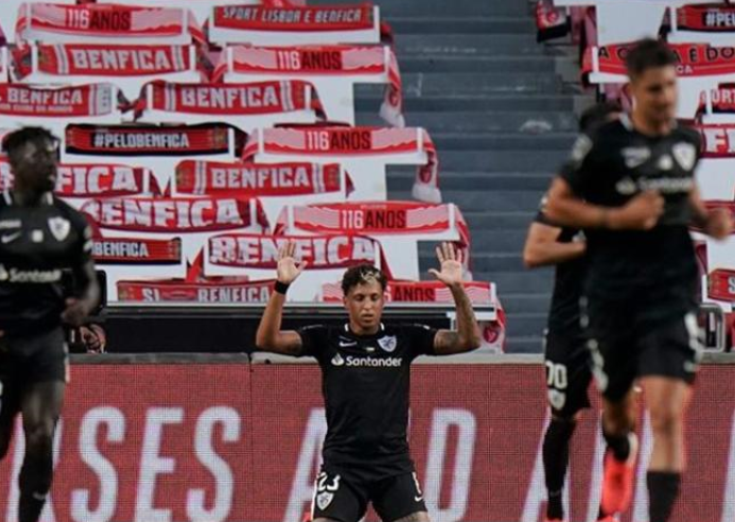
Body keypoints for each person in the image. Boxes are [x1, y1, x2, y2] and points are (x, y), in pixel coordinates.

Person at [546, 39, 732, 522]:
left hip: (667, 294)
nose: (666, 98)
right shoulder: (596, 162)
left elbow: (684, 200)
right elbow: (552, 221)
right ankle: (604, 469)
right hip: (602, 304)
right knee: (613, 418)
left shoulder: (682, 144)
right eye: (655, 89)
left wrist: (708, 221)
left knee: (667, 415)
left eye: (671, 87)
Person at [255, 242, 480, 522]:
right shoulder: (327, 339)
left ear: (383, 300)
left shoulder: (405, 338)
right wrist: (281, 287)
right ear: (345, 301)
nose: (368, 306)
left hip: (392, 464)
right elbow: (267, 340)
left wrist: (458, 289)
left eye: (374, 297)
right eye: (360, 298)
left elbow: (469, 341)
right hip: (344, 465)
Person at [0, 127, 99, 522]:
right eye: (40, 157)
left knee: (41, 436)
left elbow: (89, 283)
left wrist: (83, 308)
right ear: (15, 164)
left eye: (54, 156)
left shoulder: (71, 223)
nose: (51, 164)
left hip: (45, 345)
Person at [523, 101, 621, 522]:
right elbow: (536, 249)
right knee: (565, 418)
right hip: (569, 325)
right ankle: (556, 506)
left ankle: (606, 514)